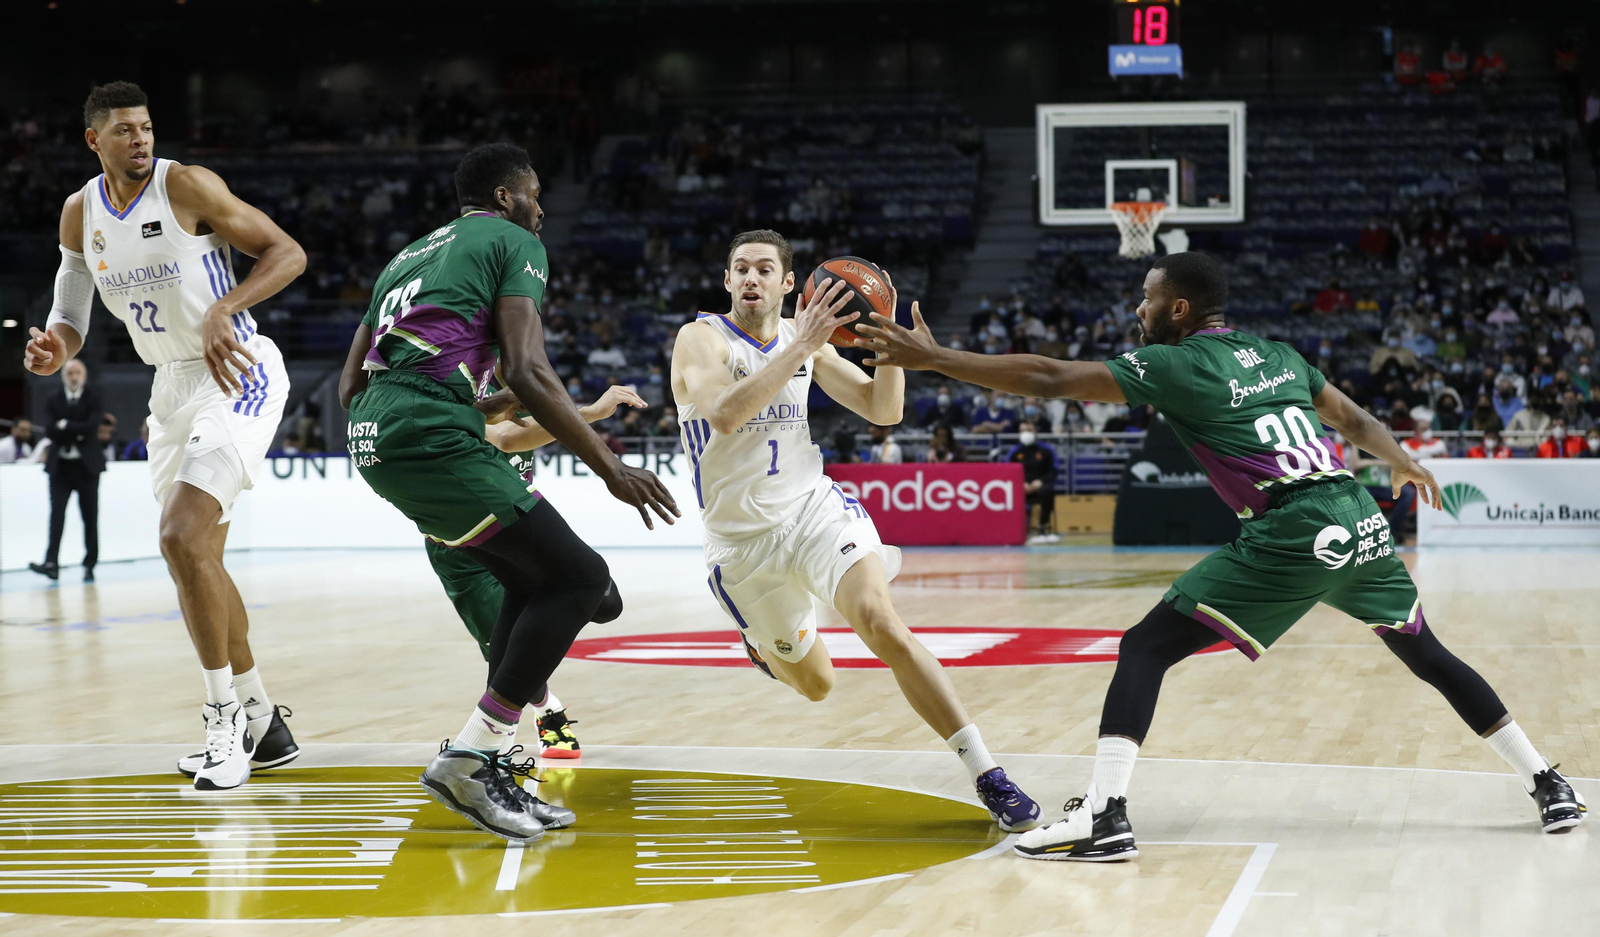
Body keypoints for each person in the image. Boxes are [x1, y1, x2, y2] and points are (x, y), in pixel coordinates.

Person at [858, 251, 1585, 859]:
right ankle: (1550, 782)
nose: (1138, 308)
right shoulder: (1276, 353)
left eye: (1147, 298)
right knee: (1427, 652)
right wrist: (1400, 458)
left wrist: (936, 359)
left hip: (1295, 528)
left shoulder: (1174, 363)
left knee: (1144, 646)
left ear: (1178, 310)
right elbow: (1354, 417)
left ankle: (1106, 813)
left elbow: (1050, 378)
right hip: (1360, 518)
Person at [341, 143, 677, 842]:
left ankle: (487, 758)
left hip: (376, 435)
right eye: (534, 193)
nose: (542, 208)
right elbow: (527, 367)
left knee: (532, 585)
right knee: (583, 578)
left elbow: (351, 388)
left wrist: (442, 409)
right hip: (432, 434)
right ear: (503, 198)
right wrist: (611, 467)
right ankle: (470, 756)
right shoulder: (512, 241)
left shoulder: (404, 258)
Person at [670, 229, 1040, 832]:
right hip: (741, 544)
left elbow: (882, 409)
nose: (752, 279)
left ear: (790, 283)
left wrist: (893, 348)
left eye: (765, 269)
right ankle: (767, 645)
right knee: (817, 685)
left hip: (813, 510)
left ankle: (987, 773)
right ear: (728, 280)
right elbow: (727, 413)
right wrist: (804, 346)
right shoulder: (700, 339)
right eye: (741, 269)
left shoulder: (803, 342)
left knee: (881, 622)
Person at [23, 82, 304, 791]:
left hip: (235, 367)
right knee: (197, 558)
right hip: (169, 390)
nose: (141, 139)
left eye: (147, 127)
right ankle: (263, 719)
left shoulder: (186, 185)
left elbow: (287, 253)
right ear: (95, 140)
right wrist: (57, 347)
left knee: (181, 535)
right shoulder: (78, 213)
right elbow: (70, 310)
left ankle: (221, 721)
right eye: (124, 130)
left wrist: (228, 306)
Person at [29, 359, 106, 581]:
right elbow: (49, 430)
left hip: (87, 468)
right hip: (60, 467)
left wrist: (66, 425)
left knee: (90, 517)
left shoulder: (94, 397)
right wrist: (76, 430)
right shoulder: (53, 398)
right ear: (64, 375)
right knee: (56, 516)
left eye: (78, 372)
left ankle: (90, 563)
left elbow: (92, 427)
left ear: (84, 375)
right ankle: (51, 562)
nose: (74, 376)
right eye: (70, 372)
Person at [1007, 422, 1058, 541]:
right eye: (1023, 431)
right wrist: (1020, 482)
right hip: (1021, 486)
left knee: (1048, 491)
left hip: (1040, 485)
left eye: (1029, 430)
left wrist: (1040, 481)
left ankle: (1042, 527)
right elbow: (1007, 471)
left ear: (1035, 431)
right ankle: (1018, 528)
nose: (1026, 433)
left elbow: (1053, 471)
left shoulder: (1047, 450)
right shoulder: (1014, 452)